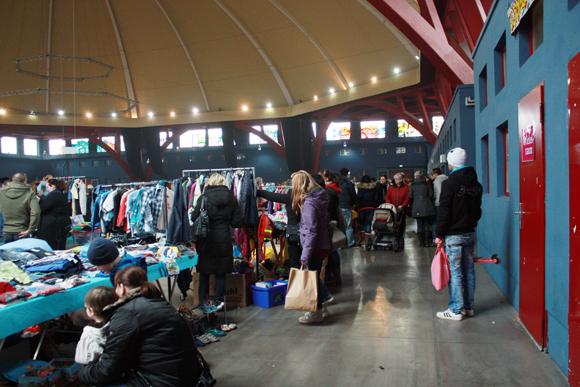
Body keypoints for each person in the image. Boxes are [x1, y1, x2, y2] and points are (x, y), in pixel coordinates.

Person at [77, 266, 201, 386]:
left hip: (163, 381)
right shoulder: (159, 303)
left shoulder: (127, 314)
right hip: (190, 376)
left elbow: (107, 370)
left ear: (121, 287)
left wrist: (83, 373)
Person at [436, 148, 483, 321]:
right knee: (469, 271)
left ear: (451, 163)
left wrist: (439, 234)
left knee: (455, 272)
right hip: (470, 233)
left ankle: (455, 309)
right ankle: (469, 307)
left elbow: (444, 211)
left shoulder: (449, 183)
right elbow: (477, 211)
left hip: (454, 236)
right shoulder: (476, 184)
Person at [191, 173, 243, 313]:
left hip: (206, 239)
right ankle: (219, 302)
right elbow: (237, 222)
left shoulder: (204, 198)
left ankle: (203, 302)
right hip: (223, 238)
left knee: (204, 272)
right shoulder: (231, 198)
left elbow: (194, 217)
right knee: (221, 272)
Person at [292, 171, 331, 324]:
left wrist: (304, 256)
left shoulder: (308, 202)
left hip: (314, 246)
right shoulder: (320, 197)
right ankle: (322, 307)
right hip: (321, 244)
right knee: (315, 278)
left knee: (312, 279)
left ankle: (316, 312)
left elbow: (310, 231)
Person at [256, 183, 301, 269]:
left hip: (293, 232)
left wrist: (258, 192)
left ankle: (297, 281)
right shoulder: (311, 196)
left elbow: (273, 196)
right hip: (308, 232)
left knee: (295, 263)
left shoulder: (292, 195)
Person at [75, 286, 118, 365]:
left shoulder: (89, 332)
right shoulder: (121, 322)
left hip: (98, 370)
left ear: (91, 311)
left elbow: (82, 359)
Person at [0, 173, 40, 243]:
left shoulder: (1, 192)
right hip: (22, 232)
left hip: (4, 231)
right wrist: (30, 230)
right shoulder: (29, 193)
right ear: (24, 181)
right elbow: (36, 212)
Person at [37, 179, 72, 250]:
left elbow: (44, 207)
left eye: (48, 187)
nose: (47, 189)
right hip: (60, 223)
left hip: (54, 225)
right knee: (60, 244)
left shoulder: (54, 196)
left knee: (54, 246)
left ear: (52, 186)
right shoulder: (61, 195)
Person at [409, 170, 436, 247]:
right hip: (427, 205)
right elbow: (431, 194)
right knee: (426, 224)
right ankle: (427, 242)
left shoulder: (413, 185)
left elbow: (410, 196)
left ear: (416, 177)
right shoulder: (427, 184)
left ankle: (421, 242)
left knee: (419, 224)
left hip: (417, 206)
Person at [384, 172, 410, 239]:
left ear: (401, 180)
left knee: (401, 223)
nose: (396, 181)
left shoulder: (406, 187)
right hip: (392, 207)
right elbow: (387, 196)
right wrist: (389, 204)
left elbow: (407, 198)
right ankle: (392, 234)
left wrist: (403, 205)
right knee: (391, 221)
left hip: (401, 208)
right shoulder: (391, 187)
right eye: (395, 179)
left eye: (397, 179)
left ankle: (400, 236)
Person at [356, 175, 379, 246]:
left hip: (362, 208)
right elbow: (376, 198)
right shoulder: (374, 188)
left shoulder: (360, 188)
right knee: (368, 223)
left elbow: (359, 198)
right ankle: (367, 240)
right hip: (370, 207)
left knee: (362, 224)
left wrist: (357, 205)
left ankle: (362, 240)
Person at [338, 167, 357, 247]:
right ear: (347, 174)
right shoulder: (348, 183)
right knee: (348, 225)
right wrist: (352, 204)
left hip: (338, 206)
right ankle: (350, 242)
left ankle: (340, 244)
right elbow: (353, 195)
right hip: (346, 206)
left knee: (339, 225)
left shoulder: (337, 182)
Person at [431, 167, 448, 244]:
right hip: (447, 202)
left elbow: (440, 191)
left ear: (436, 174)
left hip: (438, 203)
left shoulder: (437, 180)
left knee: (436, 221)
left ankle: (436, 238)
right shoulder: (447, 178)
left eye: (432, 174)